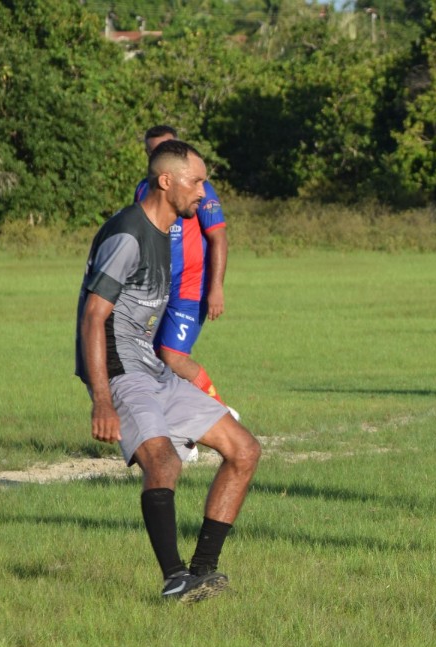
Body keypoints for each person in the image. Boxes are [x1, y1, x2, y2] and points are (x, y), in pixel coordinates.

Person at [77, 139, 262, 603]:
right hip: (122, 372)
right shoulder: (128, 234)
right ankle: (174, 579)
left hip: (153, 369)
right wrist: (102, 398)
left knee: (244, 450)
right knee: (165, 462)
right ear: (167, 181)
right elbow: (93, 316)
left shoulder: (165, 230)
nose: (204, 192)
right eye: (197, 182)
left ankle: (202, 570)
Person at [134, 126, 233, 441]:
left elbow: (218, 238)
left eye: (166, 147)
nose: (159, 155)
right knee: (148, 357)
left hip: (189, 288)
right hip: (154, 287)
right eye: (152, 151)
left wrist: (216, 287)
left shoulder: (199, 190)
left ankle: (221, 413)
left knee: (173, 356)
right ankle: (169, 427)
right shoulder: (142, 189)